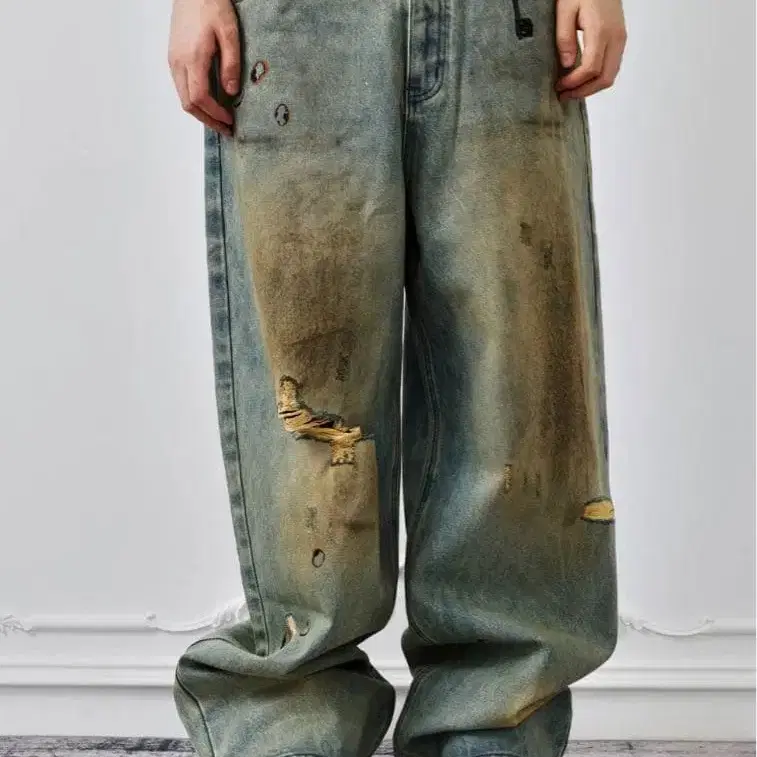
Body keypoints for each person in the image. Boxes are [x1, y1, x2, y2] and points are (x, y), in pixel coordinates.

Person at [167, 0, 626, 755]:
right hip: (297, 25)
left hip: (504, 24)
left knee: (516, 391)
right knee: (308, 399)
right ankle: (293, 731)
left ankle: (489, 728)